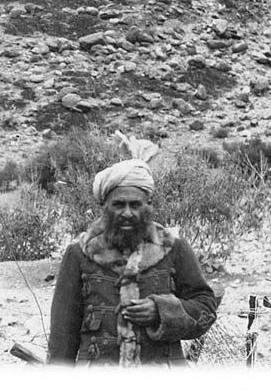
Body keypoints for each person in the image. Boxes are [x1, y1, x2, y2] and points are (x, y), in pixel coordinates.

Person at [46, 157, 219, 366]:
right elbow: (62, 335)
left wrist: (161, 310)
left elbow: (206, 308)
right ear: (105, 206)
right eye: (118, 204)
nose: (127, 213)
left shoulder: (175, 249)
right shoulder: (79, 254)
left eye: (135, 204)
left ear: (148, 205)